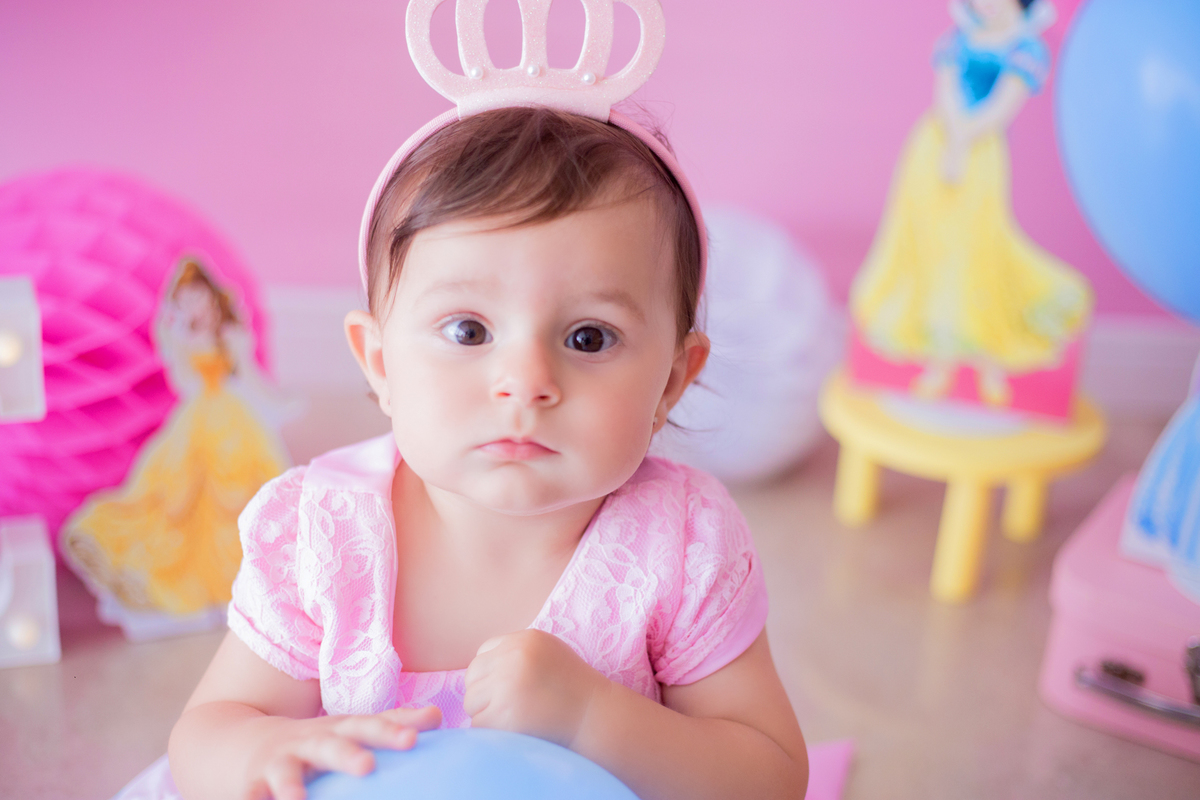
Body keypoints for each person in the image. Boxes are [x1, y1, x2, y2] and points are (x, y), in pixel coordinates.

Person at [107, 8, 810, 795]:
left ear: (672, 382)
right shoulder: (322, 538)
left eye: (588, 338)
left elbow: (769, 777)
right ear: (378, 363)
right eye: (469, 329)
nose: (524, 381)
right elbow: (208, 731)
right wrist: (260, 752)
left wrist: (592, 719)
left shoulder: (680, 547)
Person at [850, 0, 1091, 406]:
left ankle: (987, 358)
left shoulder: (1025, 51)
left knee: (975, 248)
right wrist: (951, 141)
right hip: (934, 145)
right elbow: (945, 93)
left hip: (980, 155)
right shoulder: (958, 40)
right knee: (930, 244)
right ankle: (940, 359)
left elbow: (1000, 108)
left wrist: (963, 144)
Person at [62, 259, 290, 625]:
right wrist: (176, 335)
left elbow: (250, 376)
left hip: (233, 418)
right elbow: (185, 382)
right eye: (184, 300)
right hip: (197, 417)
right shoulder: (184, 339)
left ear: (211, 298)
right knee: (175, 492)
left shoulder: (231, 337)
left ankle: (249, 578)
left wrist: (277, 403)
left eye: (197, 296)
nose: (193, 305)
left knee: (241, 491)